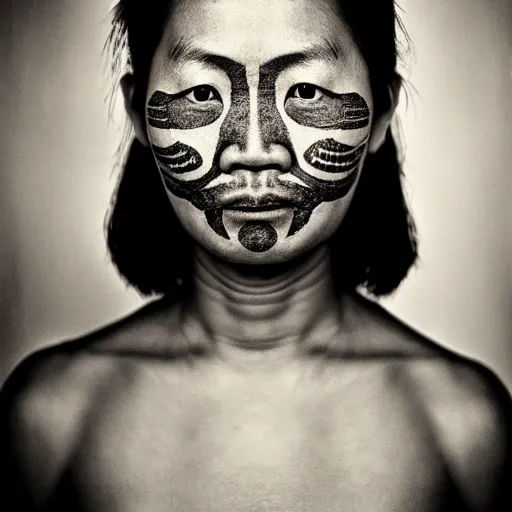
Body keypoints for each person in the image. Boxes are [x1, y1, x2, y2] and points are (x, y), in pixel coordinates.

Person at [1, 0, 510, 510]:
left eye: (306, 91)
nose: (253, 148)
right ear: (137, 114)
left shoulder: (466, 426)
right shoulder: (48, 418)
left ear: (381, 111)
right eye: (202, 93)